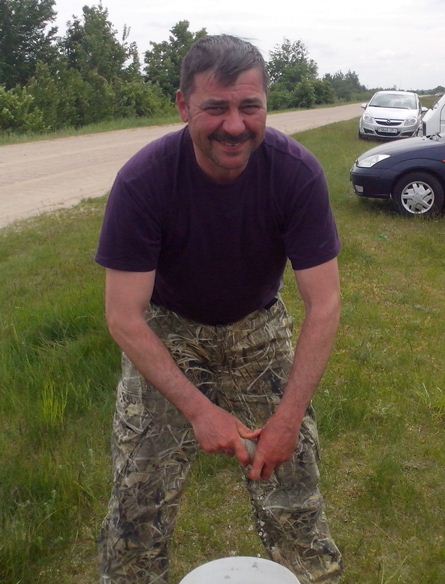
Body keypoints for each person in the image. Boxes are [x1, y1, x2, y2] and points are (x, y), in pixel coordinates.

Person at [95, 34, 343, 584]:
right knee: (139, 494)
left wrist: (287, 419)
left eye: (249, 106)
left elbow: (324, 304)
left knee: (294, 485)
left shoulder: (296, 173)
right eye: (216, 108)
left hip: (259, 325)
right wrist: (199, 410)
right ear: (184, 106)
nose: (235, 125)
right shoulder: (144, 181)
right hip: (167, 328)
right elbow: (124, 317)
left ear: (266, 105)